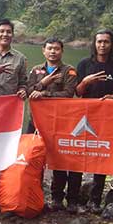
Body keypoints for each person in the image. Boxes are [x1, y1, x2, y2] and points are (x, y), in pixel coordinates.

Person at [68, 29, 113, 213]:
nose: (102, 45)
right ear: (94, 44)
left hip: (108, 116)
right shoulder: (84, 64)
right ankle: (73, 199)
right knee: (78, 156)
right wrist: (85, 81)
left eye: (106, 42)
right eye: (99, 41)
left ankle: (95, 200)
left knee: (101, 156)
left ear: (112, 44)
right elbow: (77, 92)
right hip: (85, 116)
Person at [26, 38, 79, 212]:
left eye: (57, 49)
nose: (53, 52)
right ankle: (34, 193)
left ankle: (57, 197)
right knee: (33, 157)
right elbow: (28, 90)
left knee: (60, 159)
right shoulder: (36, 70)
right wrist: (44, 83)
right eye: (50, 48)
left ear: (62, 51)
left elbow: (69, 93)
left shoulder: (69, 71)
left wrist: (44, 93)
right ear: (43, 50)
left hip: (60, 122)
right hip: (36, 121)